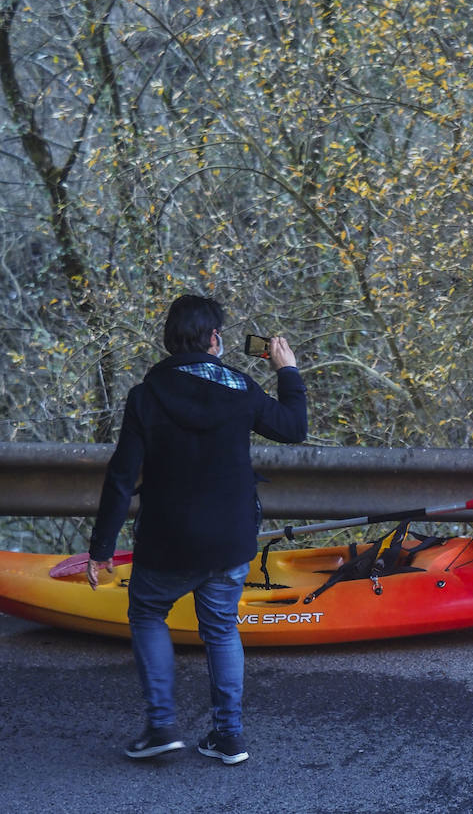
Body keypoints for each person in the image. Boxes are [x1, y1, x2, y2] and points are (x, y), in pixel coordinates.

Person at [86, 294, 308, 762]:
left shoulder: (145, 396)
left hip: (167, 540)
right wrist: (286, 370)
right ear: (214, 339)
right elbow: (293, 427)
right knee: (222, 629)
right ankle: (228, 736)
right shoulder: (241, 388)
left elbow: (121, 477)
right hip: (229, 540)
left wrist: (101, 547)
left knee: (148, 615)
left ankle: (162, 726)